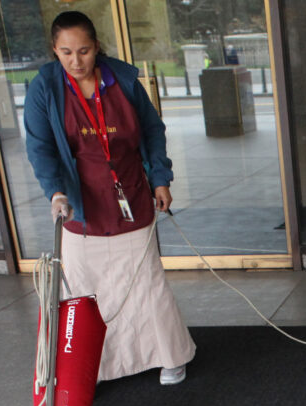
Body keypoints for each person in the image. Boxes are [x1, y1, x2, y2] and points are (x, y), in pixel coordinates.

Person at [24, 11, 195, 385]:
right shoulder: (44, 88)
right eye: (66, 52)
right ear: (55, 50)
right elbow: (40, 147)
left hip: (129, 195)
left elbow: (152, 131)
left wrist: (160, 179)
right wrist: (55, 192)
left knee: (147, 284)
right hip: (81, 207)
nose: (76, 61)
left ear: (96, 47)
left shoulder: (125, 80)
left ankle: (168, 356)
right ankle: (96, 368)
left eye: (83, 51)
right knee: (85, 291)